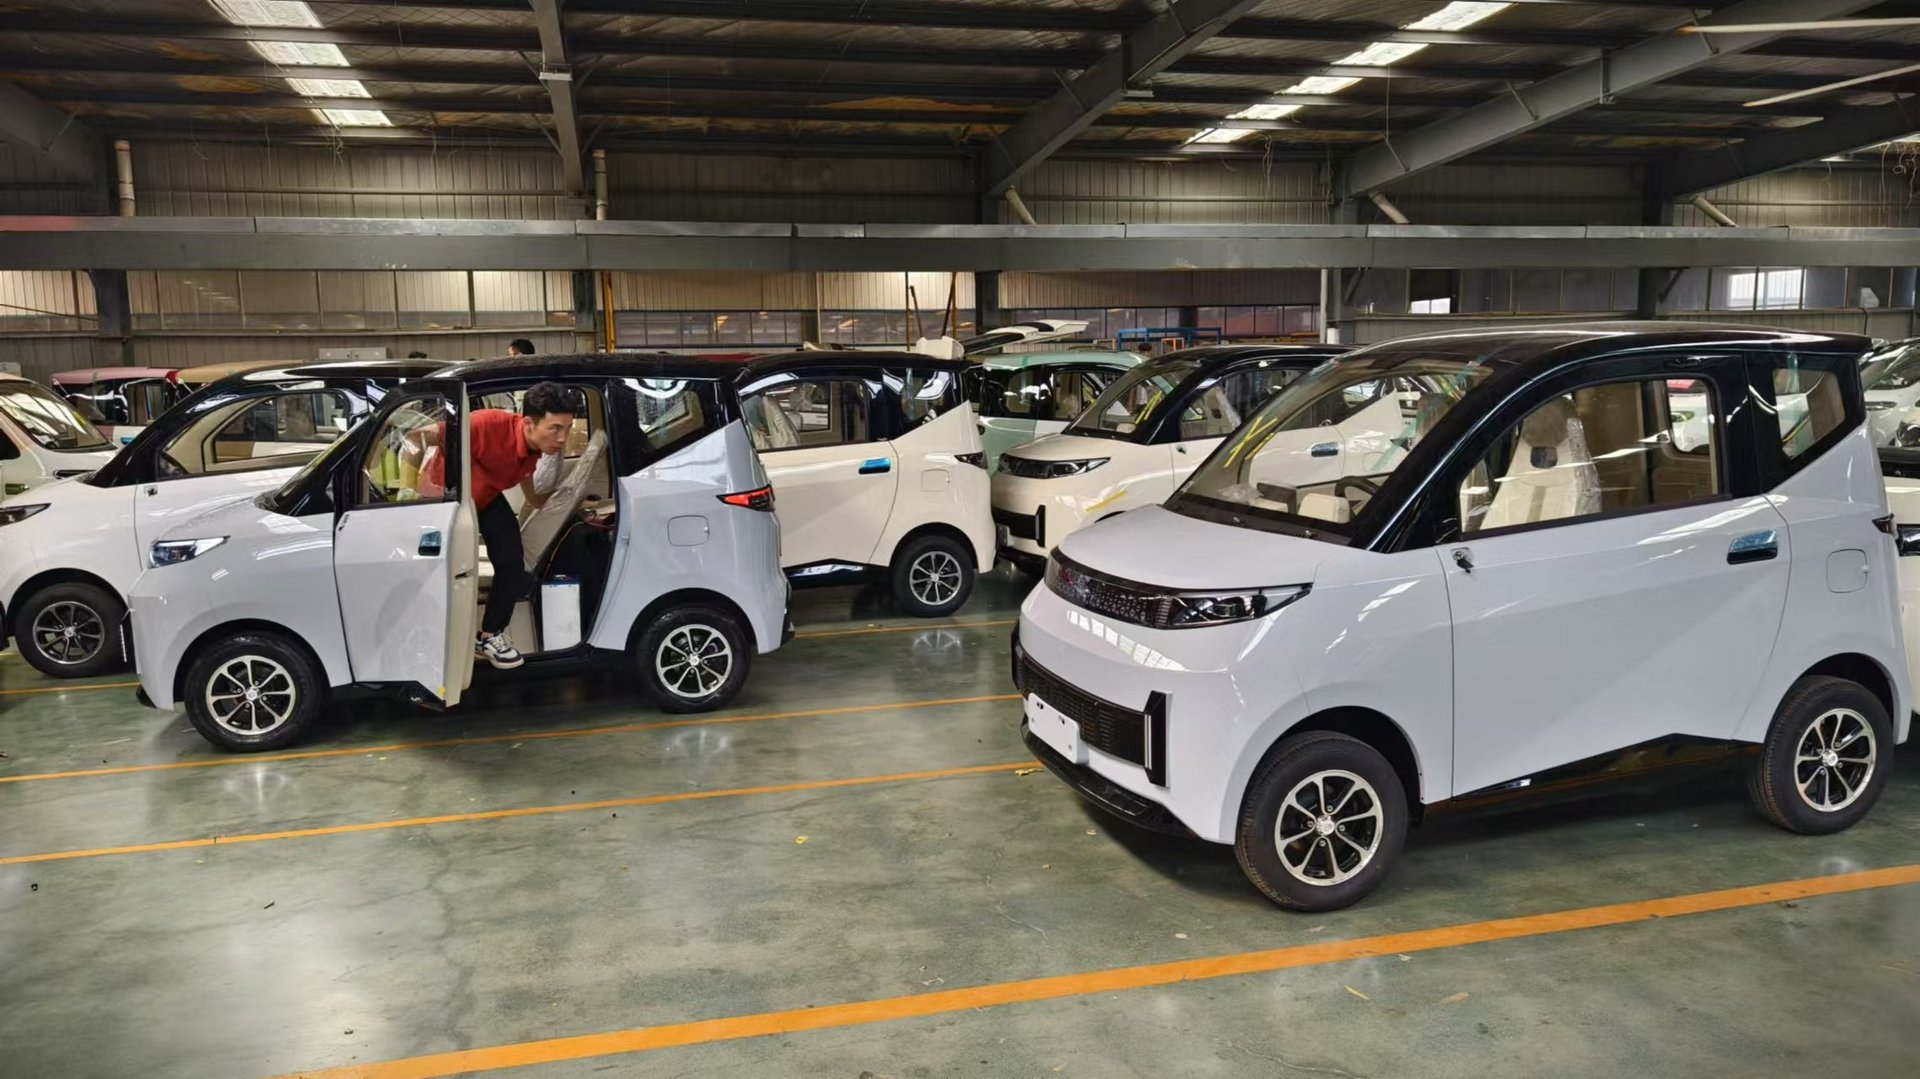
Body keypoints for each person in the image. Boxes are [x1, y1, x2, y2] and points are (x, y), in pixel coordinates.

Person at [414, 381, 578, 669]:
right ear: (528, 423)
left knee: (512, 563)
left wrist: (538, 501)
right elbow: (417, 438)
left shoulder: (535, 446)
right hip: (444, 504)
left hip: (486, 499)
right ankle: (426, 639)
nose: (563, 438)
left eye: (567, 428)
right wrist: (405, 493)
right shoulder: (485, 424)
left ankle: (489, 635)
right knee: (438, 572)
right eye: (555, 428)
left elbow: (522, 469)